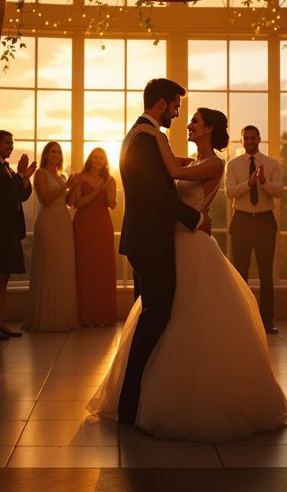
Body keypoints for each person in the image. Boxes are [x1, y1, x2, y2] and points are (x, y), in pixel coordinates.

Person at [88, 107, 287, 441]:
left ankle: (191, 399)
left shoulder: (215, 163)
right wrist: (154, 138)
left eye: (195, 122)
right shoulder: (194, 163)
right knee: (166, 313)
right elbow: (167, 165)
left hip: (193, 244)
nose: (189, 125)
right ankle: (147, 390)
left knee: (192, 316)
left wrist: (154, 133)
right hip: (173, 243)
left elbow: (168, 166)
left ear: (209, 129)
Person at [112, 78, 205, 425]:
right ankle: (130, 401)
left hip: (143, 240)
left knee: (148, 317)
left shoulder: (141, 134)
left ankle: (139, 396)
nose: (178, 114)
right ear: (162, 104)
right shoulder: (145, 139)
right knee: (156, 316)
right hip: (150, 242)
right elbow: (160, 196)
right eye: (176, 106)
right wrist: (196, 219)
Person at [0, 130, 36, 340]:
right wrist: (20, 175)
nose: (11, 146)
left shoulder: (7, 169)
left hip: (9, 230)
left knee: (5, 278)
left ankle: (0, 322)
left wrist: (25, 178)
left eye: (12, 143)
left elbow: (21, 195)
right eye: (7, 143)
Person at [224, 125, 282, 334]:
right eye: (245, 138)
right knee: (241, 274)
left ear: (259, 138)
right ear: (241, 141)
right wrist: (249, 184)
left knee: (267, 275)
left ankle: (267, 321)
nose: (249, 141)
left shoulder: (271, 164)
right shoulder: (233, 165)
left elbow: (278, 192)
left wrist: (263, 182)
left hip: (265, 221)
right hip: (241, 221)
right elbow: (229, 192)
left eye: (252, 137)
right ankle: (242, 319)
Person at [24, 141, 80, 332]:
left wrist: (75, 186)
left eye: (58, 152)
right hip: (48, 221)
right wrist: (66, 188)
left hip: (63, 221)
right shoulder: (40, 173)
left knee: (63, 266)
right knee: (48, 265)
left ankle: (62, 316)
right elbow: (46, 199)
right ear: (46, 155)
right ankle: (46, 318)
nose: (56, 155)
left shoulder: (62, 175)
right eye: (52, 152)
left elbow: (70, 202)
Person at [69, 147, 118, 327]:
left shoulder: (109, 180)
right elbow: (78, 203)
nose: (97, 160)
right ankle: (87, 317)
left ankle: (104, 316)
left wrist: (107, 190)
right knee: (86, 268)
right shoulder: (80, 178)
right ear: (90, 159)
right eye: (95, 157)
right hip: (84, 225)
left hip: (102, 226)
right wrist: (97, 190)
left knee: (103, 268)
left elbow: (112, 204)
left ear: (105, 161)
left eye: (101, 158)